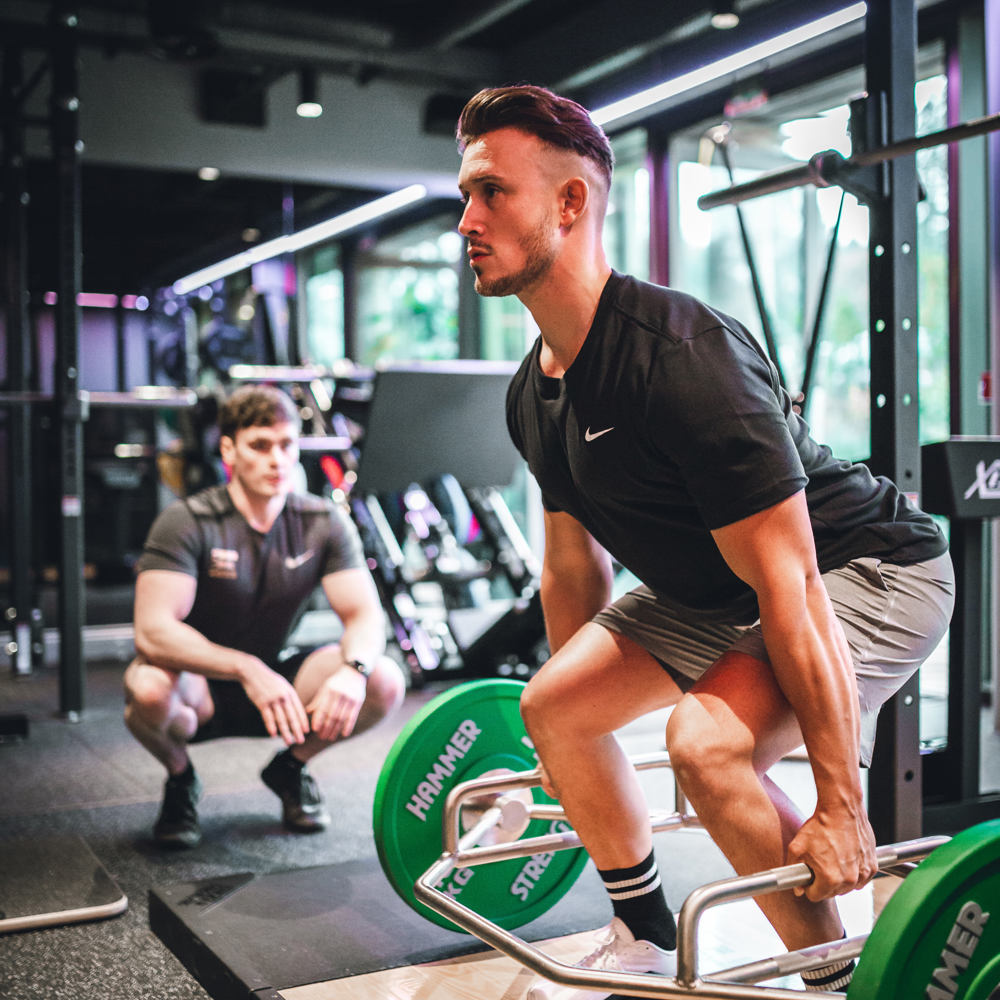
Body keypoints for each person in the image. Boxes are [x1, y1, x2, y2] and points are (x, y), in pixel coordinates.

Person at [455, 85, 954, 998]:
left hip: (866, 568)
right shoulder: (534, 394)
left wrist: (840, 805)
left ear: (571, 203)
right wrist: (575, 744)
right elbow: (572, 566)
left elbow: (794, 583)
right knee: (553, 707)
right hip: (720, 587)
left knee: (707, 748)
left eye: (493, 193)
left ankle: (837, 976)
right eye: (466, 196)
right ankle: (643, 931)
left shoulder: (680, 355)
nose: (468, 221)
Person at [124, 383, 406, 848]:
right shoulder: (187, 521)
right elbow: (153, 631)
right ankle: (180, 777)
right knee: (148, 689)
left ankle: (290, 767)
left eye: (286, 445)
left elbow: (364, 616)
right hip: (196, 684)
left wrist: (353, 671)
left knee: (383, 680)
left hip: (280, 682)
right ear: (229, 450)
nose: (277, 460)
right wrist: (246, 668)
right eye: (260, 446)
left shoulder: (322, 522)